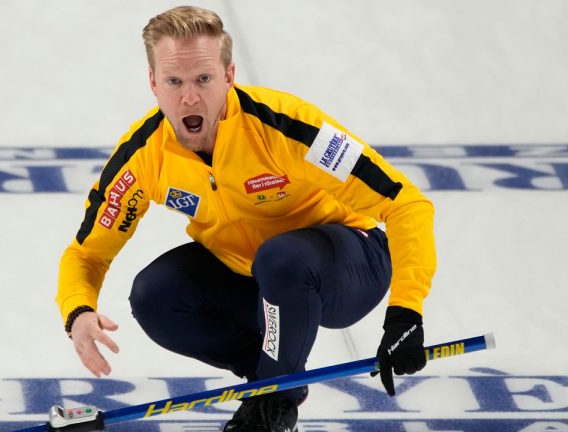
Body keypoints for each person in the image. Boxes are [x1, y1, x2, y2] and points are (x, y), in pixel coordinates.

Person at [56, 6, 436, 432]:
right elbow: (86, 253)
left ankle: (274, 401)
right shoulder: (143, 155)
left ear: (229, 76)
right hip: (255, 279)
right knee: (155, 294)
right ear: (153, 83)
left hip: (346, 265)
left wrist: (406, 313)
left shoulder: (284, 126)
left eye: (204, 79)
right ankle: (271, 377)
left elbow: (406, 202)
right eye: (174, 81)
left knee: (282, 257)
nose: (189, 98)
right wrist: (78, 311)